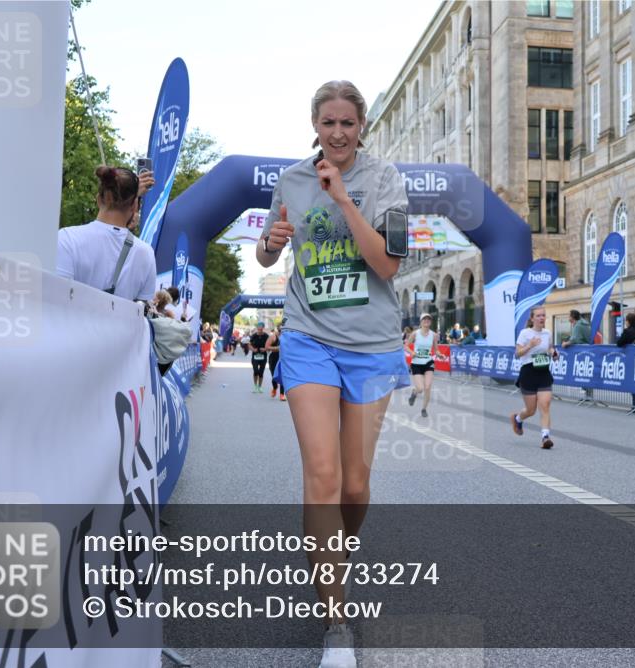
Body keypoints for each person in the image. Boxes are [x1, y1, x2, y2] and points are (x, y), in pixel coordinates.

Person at [256, 80, 410, 667]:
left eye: (348, 123)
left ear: (362, 126)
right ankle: (336, 622)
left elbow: (388, 266)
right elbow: (271, 253)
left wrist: (344, 198)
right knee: (321, 475)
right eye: (329, 123)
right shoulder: (291, 180)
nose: (338, 133)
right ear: (315, 125)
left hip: (371, 345)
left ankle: (334, 554)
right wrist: (269, 246)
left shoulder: (386, 180)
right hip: (307, 339)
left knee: (353, 486)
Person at [56, 166, 156, 300]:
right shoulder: (146, 253)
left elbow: (56, 298)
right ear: (134, 206)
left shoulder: (67, 238)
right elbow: (142, 308)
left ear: (98, 199)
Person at [511, 305, 557, 449]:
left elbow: (549, 348)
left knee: (545, 405)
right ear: (532, 318)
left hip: (543, 372)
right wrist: (530, 345)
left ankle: (545, 437)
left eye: (543, 315)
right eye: (538, 316)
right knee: (531, 410)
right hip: (528, 372)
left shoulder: (547, 333)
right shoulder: (525, 333)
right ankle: (518, 419)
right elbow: (517, 354)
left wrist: (554, 353)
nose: (542, 318)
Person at [406, 313, 437, 418]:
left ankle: (424, 409)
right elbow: (405, 346)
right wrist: (411, 352)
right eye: (424, 319)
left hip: (428, 362)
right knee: (420, 388)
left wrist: (440, 354)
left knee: (427, 387)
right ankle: (414, 392)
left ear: (431, 322)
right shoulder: (415, 334)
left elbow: (436, 350)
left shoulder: (434, 335)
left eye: (429, 319)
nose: (427, 320)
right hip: (416, 364)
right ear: (421, 321)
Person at [249, 321, 270, 393]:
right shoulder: (254, 335)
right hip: (255, 355)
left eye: (261, 329)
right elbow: (249, 344)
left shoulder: (266, 336)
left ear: (263, 328)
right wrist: (253, 349)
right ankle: (255, 386)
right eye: (258, 329)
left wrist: (265, 349)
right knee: (255, 371)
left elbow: (270, 345)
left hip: (263, 356)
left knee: (261, 372)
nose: (259, 330)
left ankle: (260, 387)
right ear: (257, 328)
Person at [266, 323, 285, 401]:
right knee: (274, 376)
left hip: (283, 358)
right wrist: (277, 348)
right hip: (273, 358)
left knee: (283, 376)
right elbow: (266, 347)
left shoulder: (287, 337)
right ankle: (274, 387)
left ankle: (282, 394)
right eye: (281, 327)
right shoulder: (273, 336)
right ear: (278, 328)